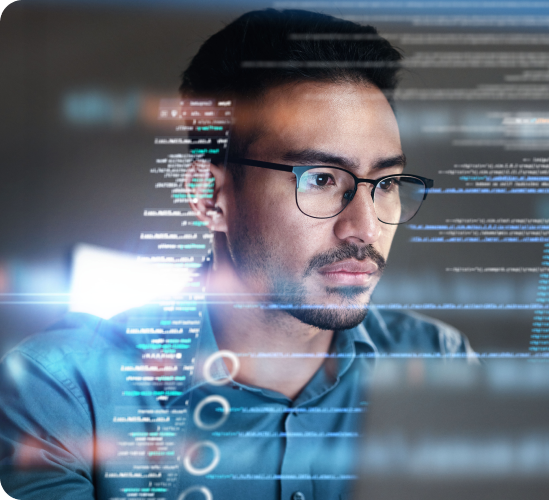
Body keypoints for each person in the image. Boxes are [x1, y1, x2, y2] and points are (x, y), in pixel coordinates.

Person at [0, 9, 476, 500]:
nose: (365, 228)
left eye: (387, 183)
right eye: (319, 179)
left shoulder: (439, 362)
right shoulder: (62, 393)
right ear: (209, 197)